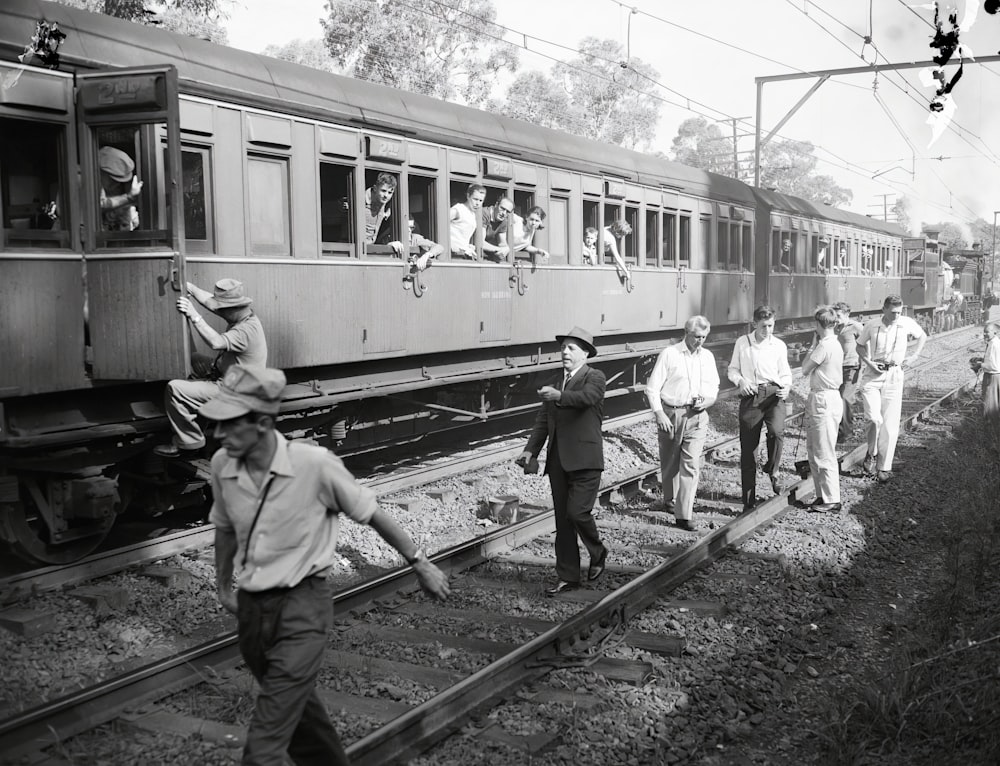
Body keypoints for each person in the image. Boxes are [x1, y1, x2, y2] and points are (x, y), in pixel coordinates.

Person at [202, 366, 449, 766]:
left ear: (263, 423)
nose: (217, 435)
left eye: (228, 425)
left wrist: (419, 562)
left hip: (303, 611)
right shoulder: (221, 465)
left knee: (264, 747)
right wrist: (223, 586)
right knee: (302, 722)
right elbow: (226, 528)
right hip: (252, 613)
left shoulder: (314, 465)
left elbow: (372, 514)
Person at [515, 327, 608, 595]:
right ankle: (568, 576)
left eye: (571, 348)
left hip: (586, 460)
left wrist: (559, 397)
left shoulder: (595, 377)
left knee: (577, 513)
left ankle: (597, 551)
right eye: (563, 348)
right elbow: (543, 420)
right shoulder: (557, 381)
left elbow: (587, 398)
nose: (564, 352)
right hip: (558, 462)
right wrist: (530, 450)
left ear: (585, 354)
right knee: (563, 523)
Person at [154, 279, 267, 458]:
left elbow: (216, 342)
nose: (217, 311)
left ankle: (189, 441)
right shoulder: (244, 315)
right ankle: (199, 421)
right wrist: (189, 286)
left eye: (221, 308)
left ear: (232, 308)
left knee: (175, 388)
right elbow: (210, 302)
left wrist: (193, 314)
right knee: (196, 359)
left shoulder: (246, 330)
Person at [644, 316, 720, 531]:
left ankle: (684, 514)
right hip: (671, 414)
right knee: (669, 464)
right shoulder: (670, 354)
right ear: (686, 332)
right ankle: (669, 500)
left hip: (698, 417)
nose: (700, 341)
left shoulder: (707, 357)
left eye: (704, 337)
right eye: (697, 337)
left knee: (691, 465)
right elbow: (652, 388)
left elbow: (714, 388)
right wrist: (659, 414)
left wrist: (707, 400)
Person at [727, 305, 792, 511]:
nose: (768, 330)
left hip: (774, 395)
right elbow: (732, 370)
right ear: (755, 323)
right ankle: (748, 500)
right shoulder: (743, 343)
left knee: (776, 432)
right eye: (763, 326)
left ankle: (773, 470)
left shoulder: (779, 345)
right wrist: (740, 382)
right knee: (749, 450)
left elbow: (785, 373)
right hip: (751, 395)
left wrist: (787, 388)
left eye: (771, 326)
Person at [856, 295, 927, 482]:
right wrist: (869, 363)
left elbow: (922, 336)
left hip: (894, 375)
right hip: (873, 375)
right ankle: (871, 453)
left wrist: (914, 356)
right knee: (873, 418)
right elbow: (860, 346)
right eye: (893, 312)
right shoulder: (871, 325)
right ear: (884, 310)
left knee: (890, 424)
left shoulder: (906, 323)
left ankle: (883, 467)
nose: (897, 315)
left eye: (899, 311)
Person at [801, 306, 844, 512]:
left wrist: (811, 346)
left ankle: (831, 498)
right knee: (816, 450)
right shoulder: (836, 344)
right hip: (829, 397)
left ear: (817, 324)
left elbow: (804, 368)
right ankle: (823, 495)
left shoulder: (823, 346)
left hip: (823, 399)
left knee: (823, 451)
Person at [449, 184, 506, 261]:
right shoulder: (458, 210)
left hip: (463, 254)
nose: (477, 203)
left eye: (480, 201)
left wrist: (468, 246)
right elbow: (441, 225)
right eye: (475, 199)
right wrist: (449, 244)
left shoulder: (473, 213)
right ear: (468, 196)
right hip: (452, 254)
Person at [833, 301, 864, 442]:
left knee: (845, 398)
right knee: (836, 399)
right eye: (835, 315)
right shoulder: (834, 328)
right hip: (836, 368)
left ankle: (846, 432)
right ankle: (838, 429)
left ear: (847, 315)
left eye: (839, 315)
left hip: (852, 366)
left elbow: (865, 345)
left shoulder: (856, 327)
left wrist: (864, 365)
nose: (836, 318)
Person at [98, 146, 143, 231]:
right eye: (113, 180)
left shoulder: (114, 187)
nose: (115, 185)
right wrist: (128, 198)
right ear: (100, 172)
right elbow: (99, 204)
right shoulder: (81, 180)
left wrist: (129, 213)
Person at [971, 320, 1000, 449]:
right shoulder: (994, 342)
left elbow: (994, 365)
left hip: (993, 378)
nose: (985, 334)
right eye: (984, 332)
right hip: (993, 377)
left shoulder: (994, 345)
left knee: (989, 409)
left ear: (995, 331)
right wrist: (982, 360)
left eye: (987, 332)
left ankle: (992, 442)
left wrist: (980, 365)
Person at [390, 217, 445, 285]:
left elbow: (439, 247)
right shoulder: (390, 237)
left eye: (411, 227)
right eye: (406, 227)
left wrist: (426, 256)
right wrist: (390, 245)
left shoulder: (415, 238)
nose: (409, 230)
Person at [363, 173, 396, 245]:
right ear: (375, 188)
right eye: (383, 191)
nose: (386, 196)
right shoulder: (360, 201)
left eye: (390, 192)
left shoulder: (383, 202)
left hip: (371, 248)